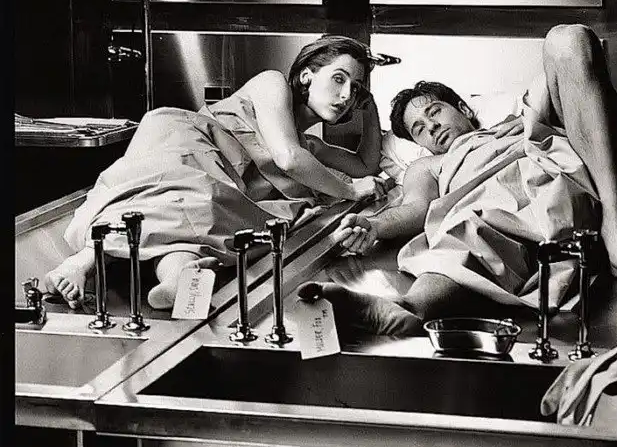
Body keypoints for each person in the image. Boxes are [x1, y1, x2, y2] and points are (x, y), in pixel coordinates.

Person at [298, 24, 617, 338]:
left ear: (463, 107)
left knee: (566, 37)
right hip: (522, 215)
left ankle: (615, 232)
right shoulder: (430, 166)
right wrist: (374, 225)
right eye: (420, 129)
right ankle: (408, 309)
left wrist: (530, 121)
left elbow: (568, 66)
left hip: (597, 179)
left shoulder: (522, 121)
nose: (432, 127)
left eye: (435, 112)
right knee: (466, 230)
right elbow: (415, 208)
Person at [45, 35, 389, 311]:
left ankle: (177, 277)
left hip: (216, 182)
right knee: (179, 197)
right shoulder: (273, 84)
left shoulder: (309, 146)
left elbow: (365, 166)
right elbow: (288, 159)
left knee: (200, 220)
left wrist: (369, 107)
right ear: (306, 76)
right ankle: (82, 262)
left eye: (355, 89)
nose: (346, 95)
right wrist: (350, 191)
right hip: (186, 142)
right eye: (339, 79)